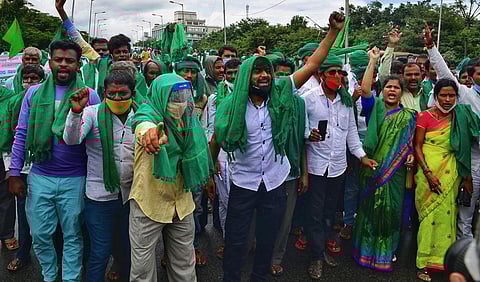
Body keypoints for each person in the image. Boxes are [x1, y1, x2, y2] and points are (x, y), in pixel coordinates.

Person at [210, 11, 347, 281]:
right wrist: (208, 175)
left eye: (267, 71)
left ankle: (259, 277)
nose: (264, 76)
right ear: (247, 75)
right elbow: (216, 141)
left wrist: (332, 32)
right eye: (257, 71)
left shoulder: (282, 92)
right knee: (236, 242)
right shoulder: (229, 105)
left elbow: (311, 66)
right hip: (243, 183)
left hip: (274, 183)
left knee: (267, 240)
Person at [8, 39, 101, 282]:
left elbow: (97, 141)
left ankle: (70, 278)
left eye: (69, 60)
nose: (63, 64)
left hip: (75, 179)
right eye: (58, 59)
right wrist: (15, 173)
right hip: (40, 177)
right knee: (40, 233)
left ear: (77, 65)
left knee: (72, 234)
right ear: (49, 62)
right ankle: (49, 276)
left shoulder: (89, 95)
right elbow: (21, 134)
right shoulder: (34, 93)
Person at [129, 73, 213, 281]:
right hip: (149, 204)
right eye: (173, 98)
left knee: (185, 265)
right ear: (160, 96)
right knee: (142, 271)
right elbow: (142, 125)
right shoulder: (149, 114)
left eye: (184, 97)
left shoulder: (190, 123)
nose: (180, 104)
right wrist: (150, 134)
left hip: (182, 204)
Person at [303, 52, 377, 279]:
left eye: (341, 73)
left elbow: (351, 134)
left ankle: (322, 249)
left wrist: (362, 156)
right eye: (332, 72)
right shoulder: (308, 98)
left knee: (329, 212)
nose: (338, 77)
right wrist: (309, 135)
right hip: (316, 166)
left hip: (337, 167)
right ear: (322, 74)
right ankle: (315, 256)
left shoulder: (346, 102)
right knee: (315, 213)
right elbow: (300, 130)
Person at [62, 70, 136, 281]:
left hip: (131, 196)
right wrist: (75, 113)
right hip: (99, 197)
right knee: (100, 252)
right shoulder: (92, 113)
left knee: (127, 249)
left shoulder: (140, 116)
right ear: (104, 93)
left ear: (133, 93)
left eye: (123, 93)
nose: (117, 98)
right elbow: (72, 139)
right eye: (112, 94)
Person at [352, 47, 417, 272]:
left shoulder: (409, 116)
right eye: (388, 86)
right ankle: (365, 252)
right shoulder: (375, 108)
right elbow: (366, 89)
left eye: (396, 88)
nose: (391, 90)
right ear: (384, 90)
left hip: (396, 173)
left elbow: (411, 144)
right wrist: (372, 61)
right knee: (369, 212)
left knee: (391, 213)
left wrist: (409, 155)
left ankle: (386, 254)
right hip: (373, 168)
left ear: (402, 92)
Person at [414, 78, 480, 281]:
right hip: (428, 175)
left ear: (457, 97)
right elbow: (417, 147)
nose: (447, 99)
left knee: (449, 216)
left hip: (452, 174)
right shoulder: (424, 116)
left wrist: (466, 177)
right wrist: (428, 174)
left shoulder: (461, 117)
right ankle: (423, 264)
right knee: (428, 219)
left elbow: (464, 149)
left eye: (451, 95)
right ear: (436, 96)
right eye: (443, 95)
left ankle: (444, 261)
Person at [424, 24, 480, 240]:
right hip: (472, 164)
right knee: (465, 214)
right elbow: (444, 73)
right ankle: (463, 260)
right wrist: (431, 47)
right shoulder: (464, 94)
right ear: (471, 76)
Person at [0, 64, 45, 271]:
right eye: (26, 79)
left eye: (34, 79)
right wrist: (13, 170)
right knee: (24, 213)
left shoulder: (48, 101)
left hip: (46, 167)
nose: (29, 83)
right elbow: (12, 138)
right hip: (23, 169)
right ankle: (23, 254)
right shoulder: (15, 103)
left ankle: (53, 260)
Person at [269, 58, 306, 277]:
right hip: (265, 172)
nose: (282, 79)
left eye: (287, 75)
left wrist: (303, 173)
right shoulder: (264, 101)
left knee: (285, 220)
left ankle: (276, 257)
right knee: (263, 217)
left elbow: (302, 141)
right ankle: (260, 253)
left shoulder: (300, 103)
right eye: (279, 74)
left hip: (291, 171)